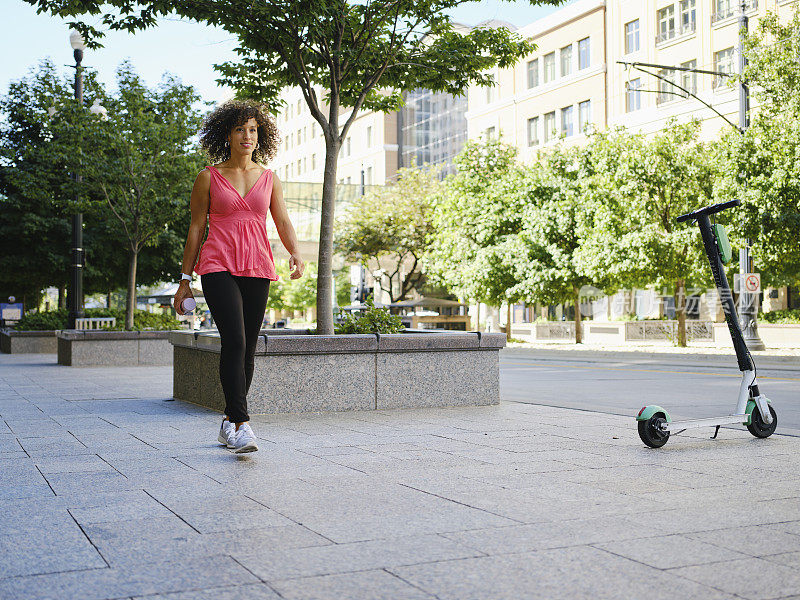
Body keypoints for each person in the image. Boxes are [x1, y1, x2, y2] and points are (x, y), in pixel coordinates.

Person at [173, 100, 304, 454]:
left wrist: (294, 252)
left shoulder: (268, 177)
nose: (247, 136)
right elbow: (196, 229)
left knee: (246, 348)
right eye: (240, 129)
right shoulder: (208, 178)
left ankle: (229, 421)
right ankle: (243, 426)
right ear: (226, 135)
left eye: (253, 130)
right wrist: (185, 280)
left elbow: (283, 220)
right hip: (217, 265)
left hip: (258, 266)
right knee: (234, 340)